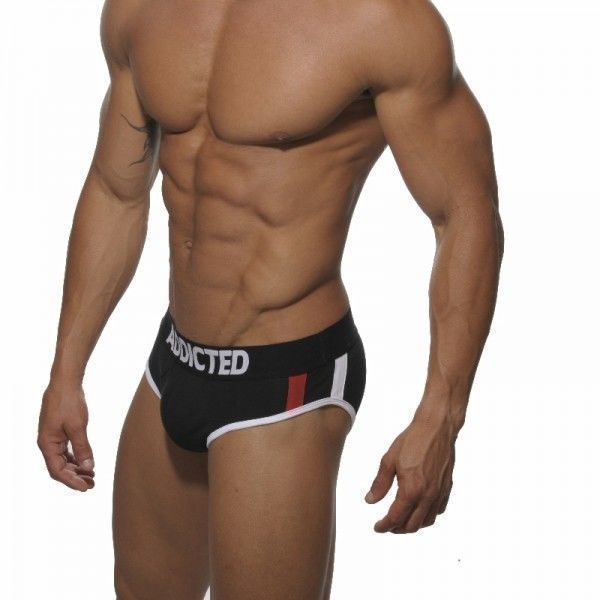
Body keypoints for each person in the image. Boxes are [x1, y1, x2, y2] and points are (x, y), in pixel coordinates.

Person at [37, 0, 504, 598]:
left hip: (287, 382)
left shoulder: (380, 20)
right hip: (174, 361)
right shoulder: (140, 8)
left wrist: (441, 415)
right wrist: (65, 372)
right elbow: (115, 191)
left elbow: (465, 214)